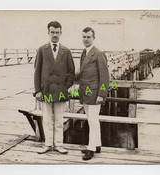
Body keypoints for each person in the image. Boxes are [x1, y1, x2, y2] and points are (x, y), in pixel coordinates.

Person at [34, 21, 75, 154]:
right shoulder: (41, 50)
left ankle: (58, 145)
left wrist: (65, 86)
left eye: (57, 32)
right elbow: (37, 72)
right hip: (45, 91)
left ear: (61, 33)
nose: (55, 35)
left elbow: (71, 72)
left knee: (58, 119)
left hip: (60, 91)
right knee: (47, 119)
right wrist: (38, 91)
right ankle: (47, 144)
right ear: (48, 33)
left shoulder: (66, 51)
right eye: (52, 32)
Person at [76, 27, 109, 160]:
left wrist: (102, 94)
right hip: (85, 92)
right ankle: (97, 144)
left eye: (89, 37)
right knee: (92, 120)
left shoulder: (98, 53)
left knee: (93, 120)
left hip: (95, 93)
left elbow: (105, 76)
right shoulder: (84, 53)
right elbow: (82, 72)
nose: (86, 39)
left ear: (93, 38)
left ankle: (91, 149)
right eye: (84, 37)